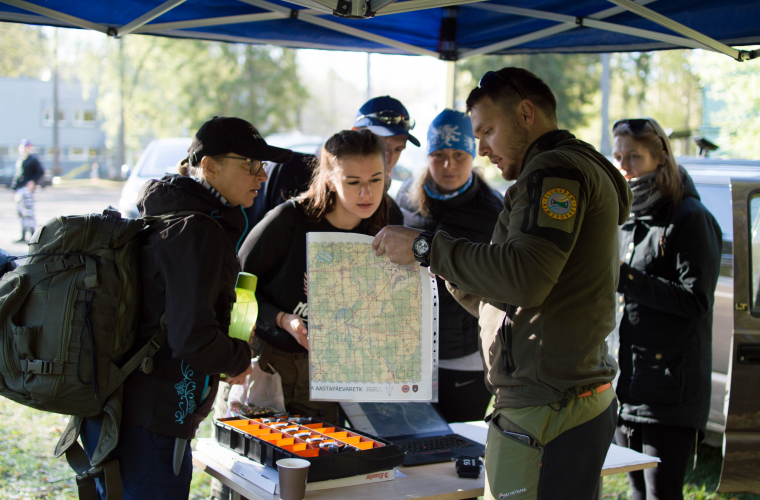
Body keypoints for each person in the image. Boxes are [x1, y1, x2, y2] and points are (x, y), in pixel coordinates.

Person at [373, 67, 632, 500]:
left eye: (488, 130)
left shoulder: (553, 171)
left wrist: (426, 249)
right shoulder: (572, 166)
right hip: (562, 398)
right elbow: (519, 296)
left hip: (548, 406)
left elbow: (525, 278)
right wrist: (439, 266)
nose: (481, 148)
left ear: (527, 113)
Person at [79, 117, 292, 500]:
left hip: (126, 407)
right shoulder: (198, 230)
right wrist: (239, 358)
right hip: (155, 419)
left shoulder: (174, 215)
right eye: (250, 165)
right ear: (209, 166)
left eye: (263, 166)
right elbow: (191, 336)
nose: (261, 176)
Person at [238, 129, 389, 425]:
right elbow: (239, 286)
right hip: (271, 362)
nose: (366, 194)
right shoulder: (289, 220)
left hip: (339, 371)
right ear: (330, 179)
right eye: (353, 182)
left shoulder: (387, 224)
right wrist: (282, 319)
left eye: (376, 180)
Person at [612, 118, 721, 500]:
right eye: (618, 156)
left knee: (661, 496)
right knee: (637, 494)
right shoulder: (630, 216)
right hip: (631, 384)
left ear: (660, 158)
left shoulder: (691, 218)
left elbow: (696, 301)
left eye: (634, 157)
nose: (624, 166)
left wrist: (625, 278)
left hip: (671, 392)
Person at [396, 108, 502, 422]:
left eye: (459, 154)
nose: (449, 165)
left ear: (473, 154)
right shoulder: (404, 197)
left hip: (463, 353)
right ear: (427, 155)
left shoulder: (492, 209)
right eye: (439, 154)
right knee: (409, 446)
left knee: (456, 447)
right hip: (407, 351)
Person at [244, 96, 419, 230]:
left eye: (398, 150)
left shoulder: (391, 213)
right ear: (355, 133)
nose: (387, 158)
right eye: (379, 145)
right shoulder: (286, 170)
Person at [11, 139, 44, 242]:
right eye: (22, 147)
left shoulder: (33, 160)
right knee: (21, 213)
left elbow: (41, 171)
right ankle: (23, 235)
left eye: (26, 147)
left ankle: (33, 236)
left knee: (29, 213)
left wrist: (33, 182)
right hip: (19, 190)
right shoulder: (21, 160)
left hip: (26, 190)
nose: (24, 149)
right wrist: (14, 187)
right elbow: (18, 175)